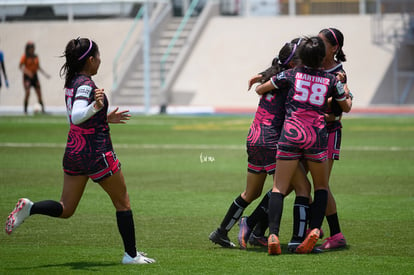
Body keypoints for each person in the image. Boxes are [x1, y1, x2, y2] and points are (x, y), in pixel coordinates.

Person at [5, 37, 156, 265]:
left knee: (66, 209)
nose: (100, 61)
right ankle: (131, 255)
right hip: (97, 154)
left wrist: (103, 117)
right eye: (99, 57)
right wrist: (96, 107)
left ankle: (31, 208)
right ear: (91, 59)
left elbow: (75, 118)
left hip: (75, 152)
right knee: (122, 202)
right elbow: (77, 116)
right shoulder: (86, 84)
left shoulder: (73, 82)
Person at [255, 36, 353, 255]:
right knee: (320, 187)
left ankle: (273, 234)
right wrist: (343, 86)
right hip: (316, 136)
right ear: (321, 57)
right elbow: (345, 106)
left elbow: (261, 89)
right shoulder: (331, 80)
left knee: (279, 187)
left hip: (290, 134)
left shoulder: (291, 74)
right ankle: (315, 231)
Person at [209, 41, 307, 249]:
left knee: (251, 193)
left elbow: (265, 83)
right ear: (293, 65)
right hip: (272, 139)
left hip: (254, 136)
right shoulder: (290, 80)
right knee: (298, 186)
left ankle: (221, 231)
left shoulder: (273, 76)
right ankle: (260, 228)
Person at [315, 27, 351, 250]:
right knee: (298, 182)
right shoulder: (313, 63)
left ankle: (334, 234)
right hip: (309, 131)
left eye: (322, 42)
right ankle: (314, 226)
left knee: (322, 185)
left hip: (328, 131)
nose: (317, 45)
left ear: (334, 47)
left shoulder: (339, 73)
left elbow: (342, 105)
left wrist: (326, 105)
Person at [19, 41, 50, 114]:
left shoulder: (36, 56)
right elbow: (21, 67)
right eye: (31, 48)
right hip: (27, 77)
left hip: (35, 76)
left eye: (33, 48)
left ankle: (43, 110)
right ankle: (25, 110)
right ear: (27, 49)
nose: (32, 49)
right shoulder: (25, 56)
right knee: (28, 92)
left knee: (39, 93)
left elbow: (38, 67)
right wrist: (28, 72)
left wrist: (45, 74)